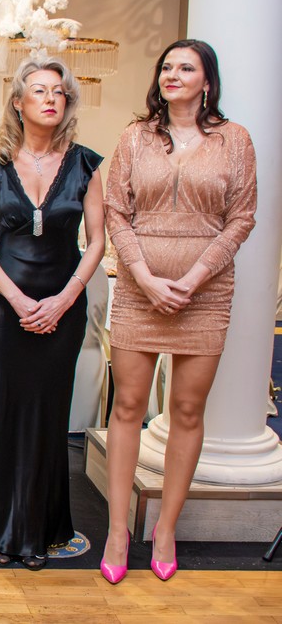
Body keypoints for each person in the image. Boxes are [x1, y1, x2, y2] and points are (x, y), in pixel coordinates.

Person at [101, 39, 257, 583]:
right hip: (138, 289)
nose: (172, 74)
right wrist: (144, 277)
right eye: (166, 66)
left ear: (206, 81)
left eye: (185, 68)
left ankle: (165, 528)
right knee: (128, 405)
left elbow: (242, 218)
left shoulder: (235, 140)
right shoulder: (134, 137)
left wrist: (192, 279)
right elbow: (116, 212)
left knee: (188, 411)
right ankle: (117, 530)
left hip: (204, 294)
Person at [0, 57, 105, 571]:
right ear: (18, 102)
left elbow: (97, 242)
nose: (50, 98)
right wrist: (19, 301)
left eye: (59, 92)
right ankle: (0, 525)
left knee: (49, 413)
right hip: (7, 307)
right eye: (39, 90)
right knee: (4, 409)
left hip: (64, 303)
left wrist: (64, 299)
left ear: (67, 103)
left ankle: (39, 527)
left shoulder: (86, 165)